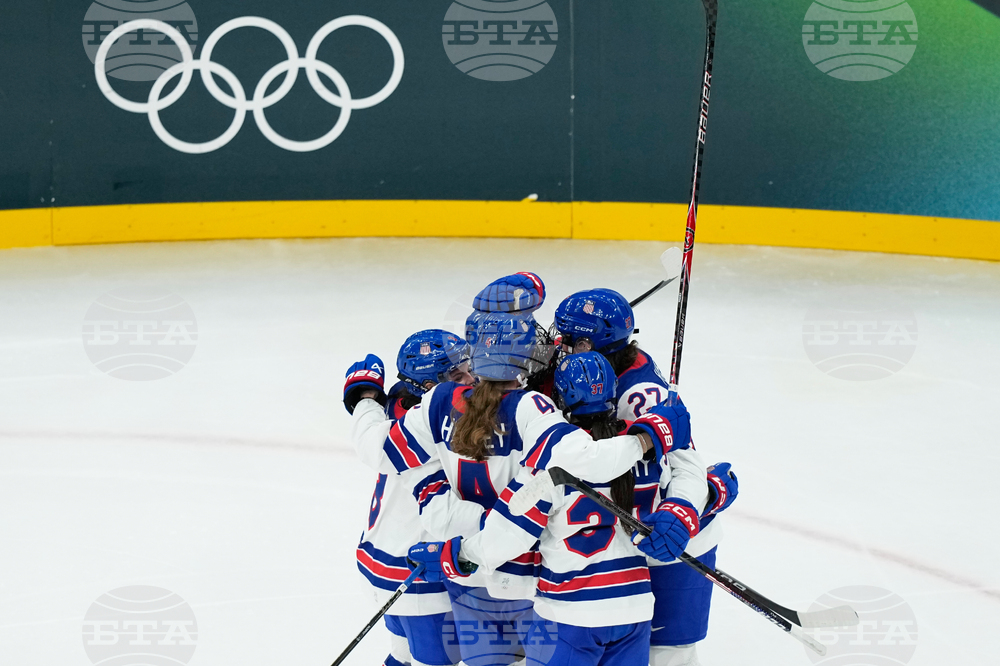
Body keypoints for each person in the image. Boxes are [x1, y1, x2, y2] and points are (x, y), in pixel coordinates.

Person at [348, 307, 684, 666]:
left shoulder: (438, 401)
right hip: (524, 573)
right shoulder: (532, 407)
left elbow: (378, 448)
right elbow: (587, 459)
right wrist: (649, 437)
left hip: (471, 576)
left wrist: (366, 398)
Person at [553, 290, 736, 666]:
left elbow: (686, 462)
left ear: (589, 342)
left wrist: (685, 510)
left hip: (669, 541)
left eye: (567, 339)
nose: (559, 345)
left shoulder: (639, 394)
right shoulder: (586, 375)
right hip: (620, 545)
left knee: (669, 656)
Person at [343, 329, 473, 666]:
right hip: (414, 571)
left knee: (401, 654)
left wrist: (366, 397)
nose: (471, 378)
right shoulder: (434, 427)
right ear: (429, 386)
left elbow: (370, 436)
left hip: (381, 558)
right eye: (457, 374)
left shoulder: (399, 402)